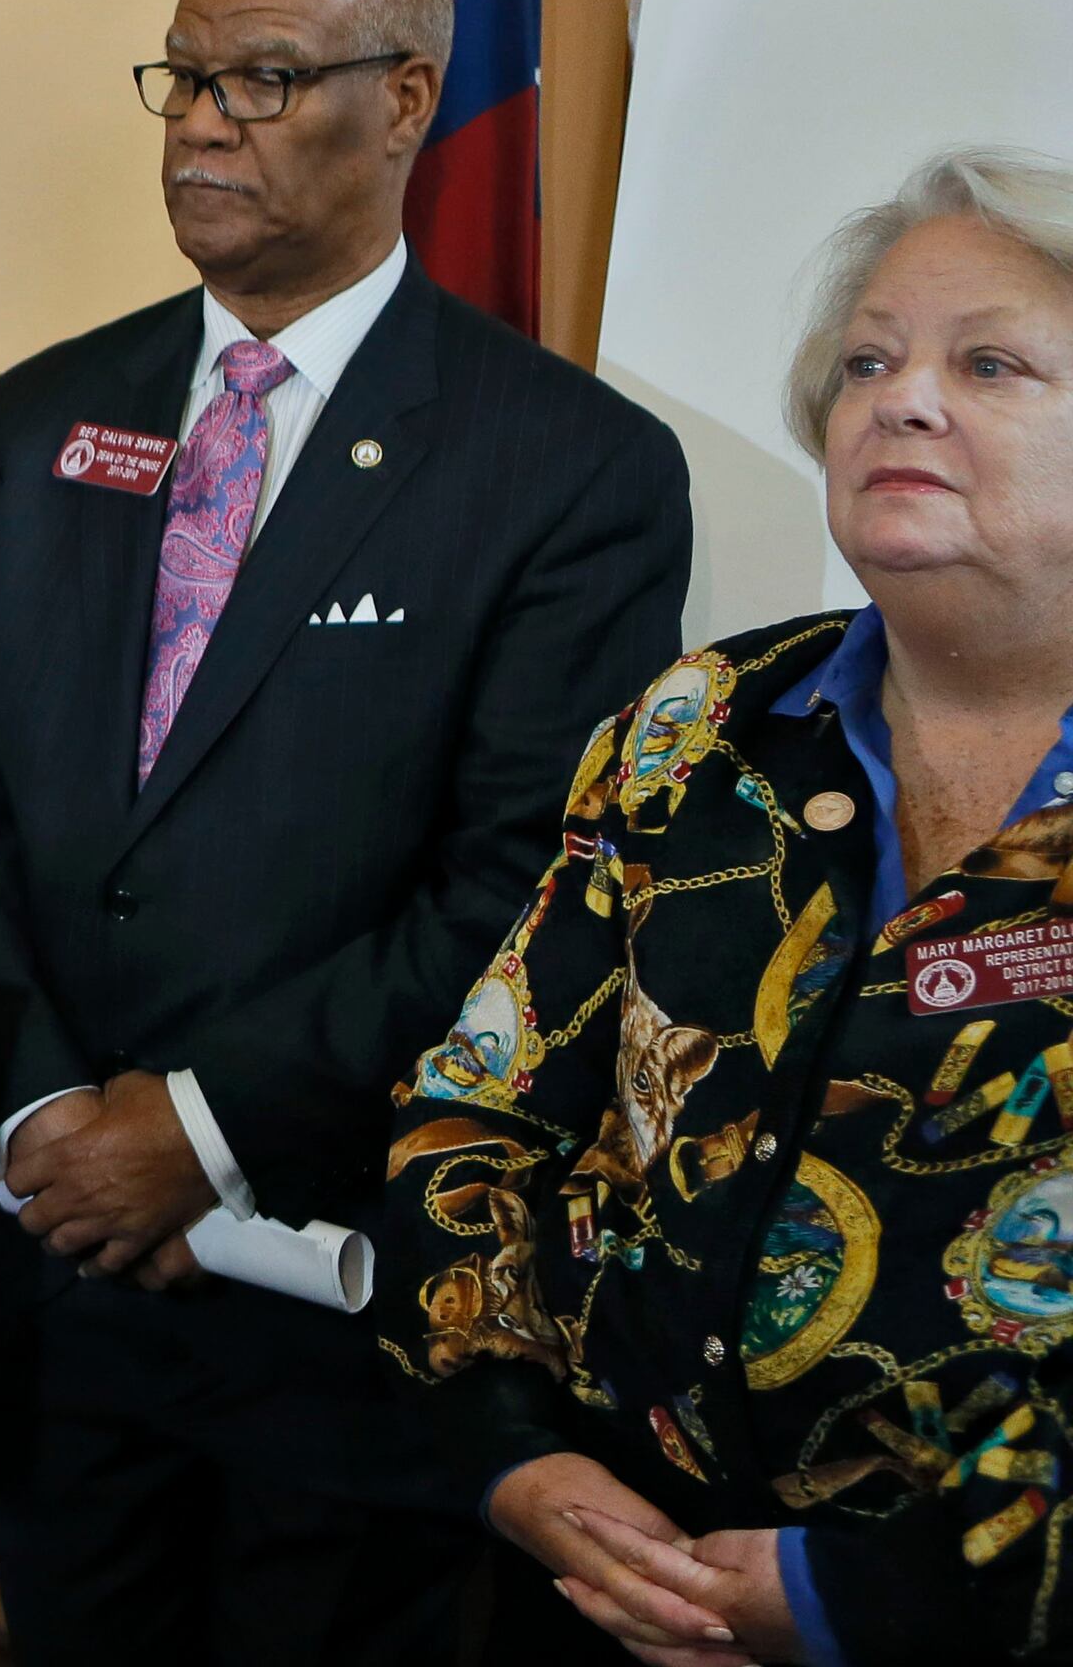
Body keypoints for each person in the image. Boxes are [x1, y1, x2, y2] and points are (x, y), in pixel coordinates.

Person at [0, 0, 695, 1665]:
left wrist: (192, 1132)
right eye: (183, 78)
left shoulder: (568, 470)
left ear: (404, 101)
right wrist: (47, 1132)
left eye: (261, 78)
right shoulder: (45, 417)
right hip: (58, 1289)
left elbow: (525, 892)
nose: (198, 124)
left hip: (339, 1310)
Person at [383, 149, 1073, 1667]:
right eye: (868, 361)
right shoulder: (700, 722)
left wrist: (860, 1606)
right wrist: (511, 1450)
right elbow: (475, 1112)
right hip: (601, 1581)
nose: (900, 397)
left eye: (993, 364)